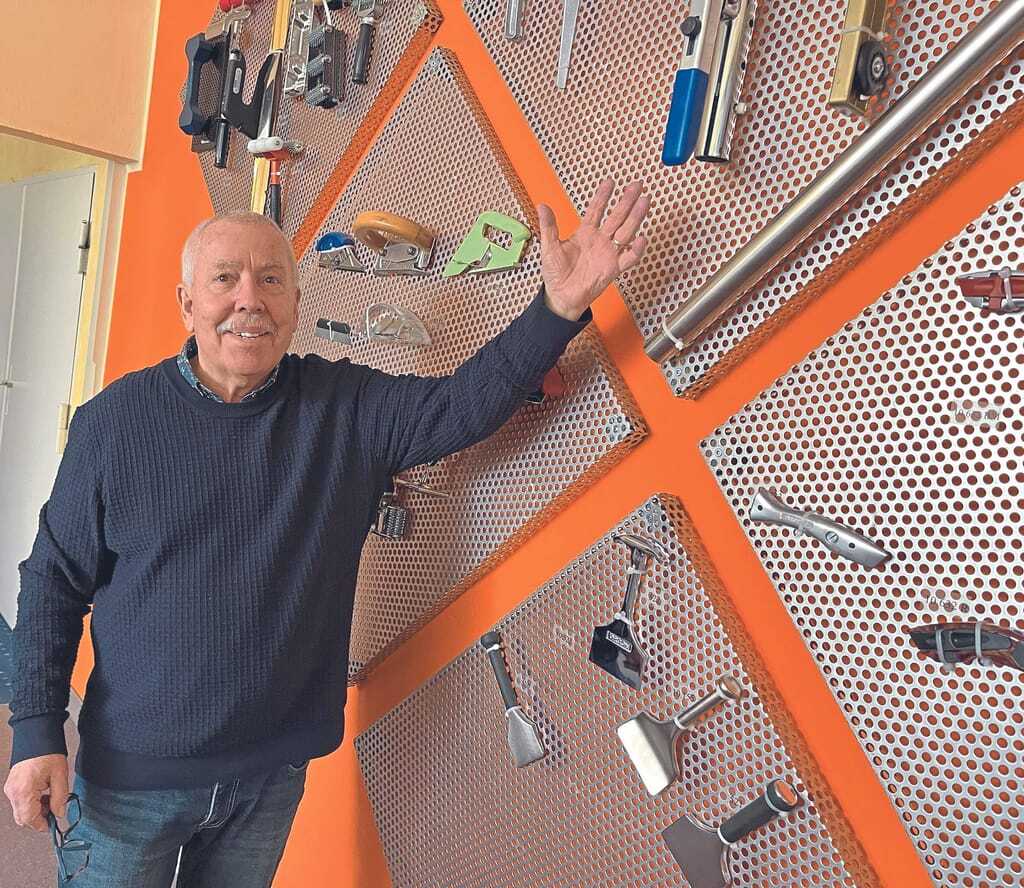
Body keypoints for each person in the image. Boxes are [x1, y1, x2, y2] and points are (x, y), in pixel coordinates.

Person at [3, 178, 650, 886]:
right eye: (224, 279)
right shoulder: (112, 425)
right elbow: (53, 582)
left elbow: (461, 405)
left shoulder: (345, 407)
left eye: (270, 279)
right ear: (187, 303)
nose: (249, 298)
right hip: (133, 781)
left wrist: (558, 309)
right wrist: (36, 733)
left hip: (270, 776)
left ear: (294, 304)